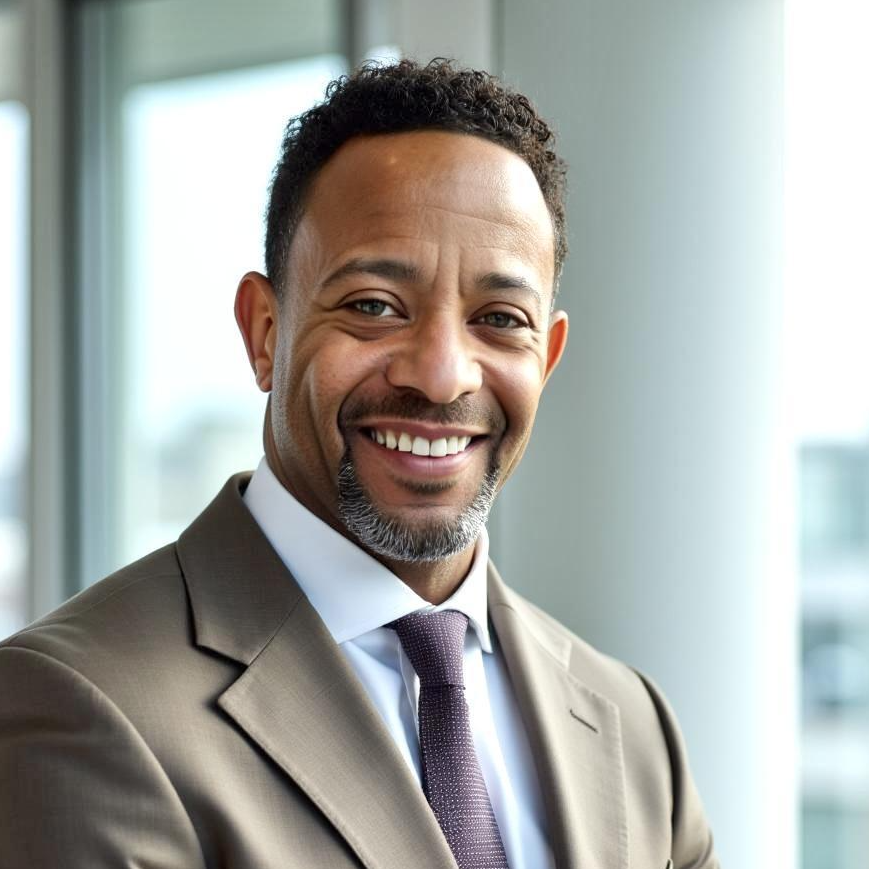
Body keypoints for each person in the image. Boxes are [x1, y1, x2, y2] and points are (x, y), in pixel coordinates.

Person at [0, 59, 718, 869]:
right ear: (264, 331)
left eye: (498, 318)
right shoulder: (80, 703)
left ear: (545, 360)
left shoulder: (633, 726)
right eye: (374, 306)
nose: (441, 375)